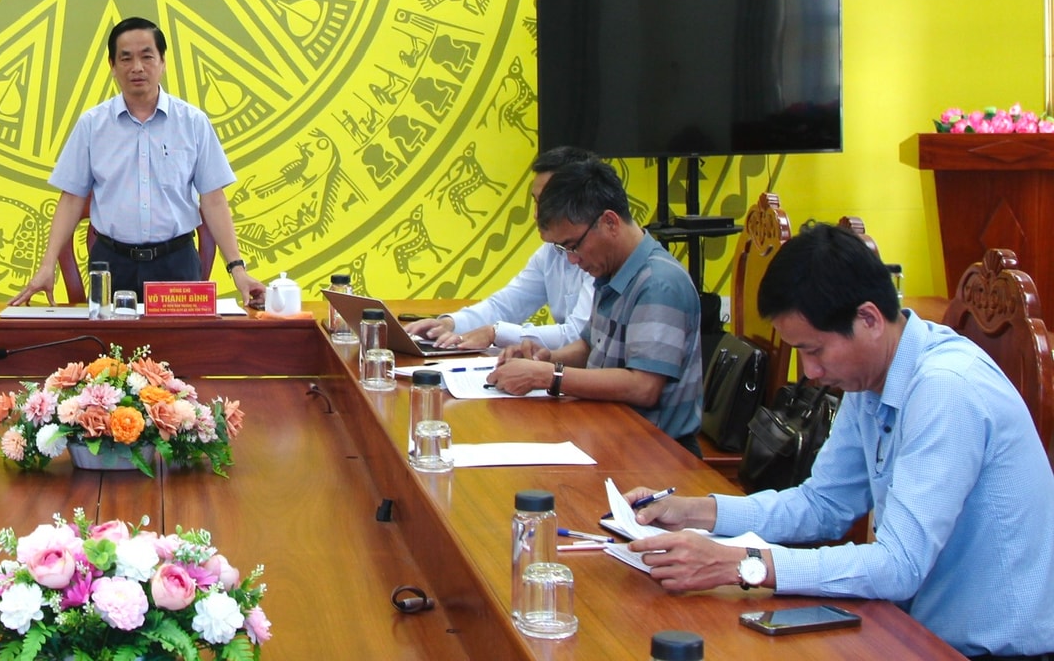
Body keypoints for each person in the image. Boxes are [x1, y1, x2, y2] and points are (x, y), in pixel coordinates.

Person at [624, 224, 1054, 658]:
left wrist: (741, 564)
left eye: (814, 350)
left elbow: (899, 566)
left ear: (868, 319)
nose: (810, 372)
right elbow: (823, 504)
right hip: (913, 631)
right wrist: (696, 513)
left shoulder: (946, 389)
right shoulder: (872, 377)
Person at [10, 17, 267, 308]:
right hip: (112, 264)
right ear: (112, 65)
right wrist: (47, 266)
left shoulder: (192, 122)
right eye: (126, 58)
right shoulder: (93, 125)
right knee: (107, 338)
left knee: (182, 339)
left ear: (163, 61)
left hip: (176, 264)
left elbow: (214, 200)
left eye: (147, 56)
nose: (137, 67)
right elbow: (71, 199)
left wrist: (238, 269)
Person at [487, 157, 702, 442]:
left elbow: (643, 387)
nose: (573, 260)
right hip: (607, 432)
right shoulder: (612, 270)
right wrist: (545, 358)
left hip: (655, 450)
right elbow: (590, 347)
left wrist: (548, 375)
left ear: (610, 222)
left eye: (573, 246)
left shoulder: (658, 283)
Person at [409, 145, 596, 350]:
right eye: (536, 202)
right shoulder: (550, 252)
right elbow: (506, 305)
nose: (536, 215)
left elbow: (578, 336)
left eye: (546, 204)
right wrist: (449, 324)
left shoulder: (600, 255)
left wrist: (496, 333)